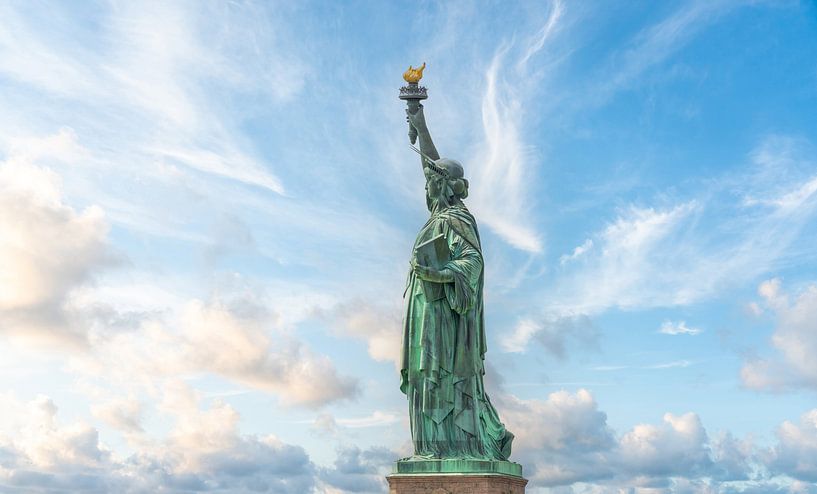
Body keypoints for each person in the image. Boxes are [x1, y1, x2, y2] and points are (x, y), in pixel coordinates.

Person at [400, 105, 514, 460]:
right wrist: (421, 123)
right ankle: (430, 447)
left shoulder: (457, 217)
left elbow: (473, 261)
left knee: (439, 371)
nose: (428, 186)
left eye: (434, 183)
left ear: (446, 188)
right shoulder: (441, 212)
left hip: (445, 310)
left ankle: (451, 445)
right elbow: (433, 168)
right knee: (424, 371)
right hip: (425, 306)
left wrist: (440, 273)